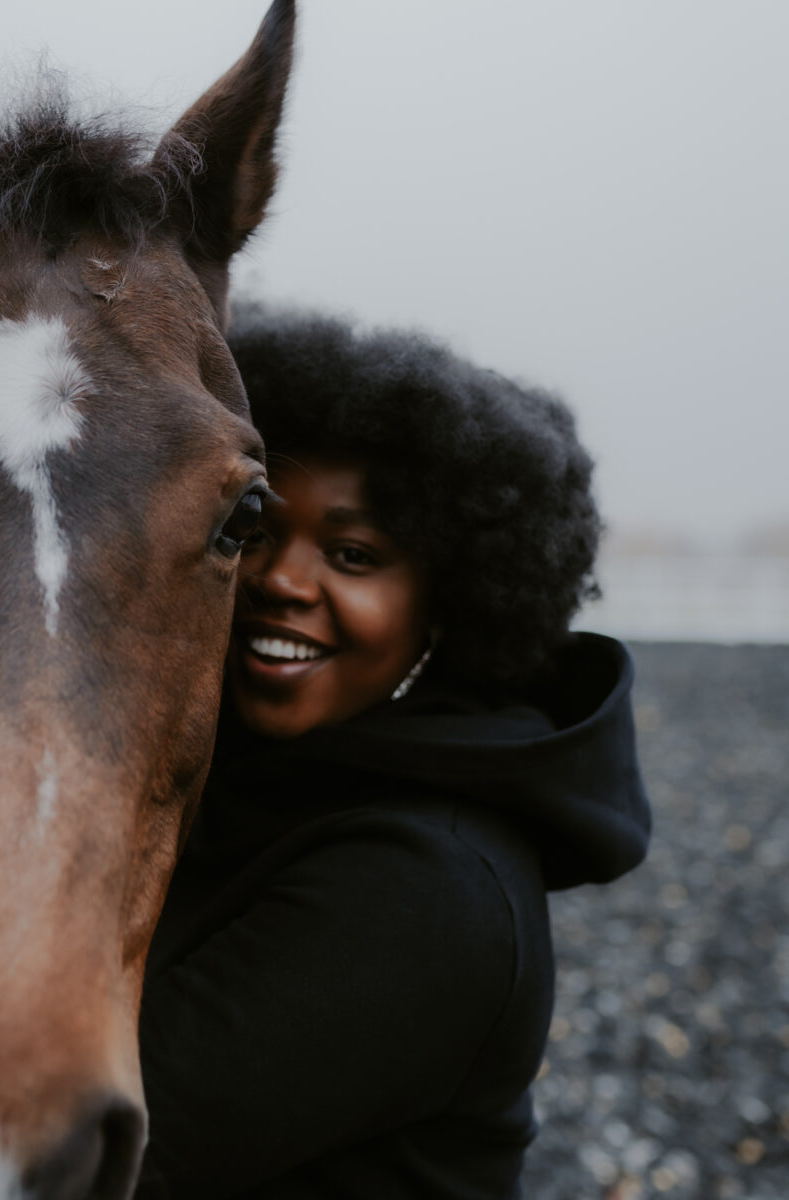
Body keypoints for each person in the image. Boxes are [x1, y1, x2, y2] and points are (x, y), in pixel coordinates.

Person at [135, 307, 651, 1199]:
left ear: (449, 604)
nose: (282, 580)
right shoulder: (236, 771)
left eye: (352, 554)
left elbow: (97, 1147)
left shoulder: (430, 886)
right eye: (254, 532)